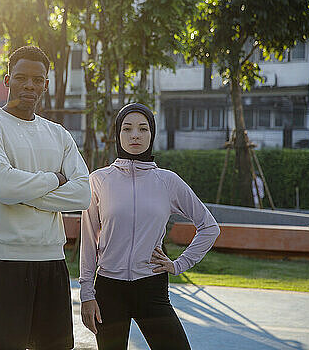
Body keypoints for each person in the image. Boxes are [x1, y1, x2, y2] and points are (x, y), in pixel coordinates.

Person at [0, 45, 91, 350]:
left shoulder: (58, 134)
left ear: (46, 84)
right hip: (3, 262)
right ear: (7, 80)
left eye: (37, 79)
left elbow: (83, 194)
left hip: (52, 263)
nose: (29, 85)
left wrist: (23, 193)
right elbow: (4, 186)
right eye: (21, 78)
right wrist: (54, 180)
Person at [79, 103, 220, 350]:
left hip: (152, 287)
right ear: (118, 135)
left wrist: (180, 264)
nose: (135, 135)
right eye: (127, 129)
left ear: (152, 135)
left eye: (143, 129)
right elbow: (89, 241)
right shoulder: (99, 180)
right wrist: (87, 294)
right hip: (109, 290)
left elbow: (209, 227)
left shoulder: (167, 181)